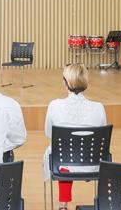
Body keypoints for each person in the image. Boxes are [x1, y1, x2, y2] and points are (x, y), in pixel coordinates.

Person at [43, 64, 107, 210]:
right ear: (85, 82)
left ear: (65, 83)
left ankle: (63, 206)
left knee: (62, 153)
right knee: (69, 152)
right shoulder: (99, 107)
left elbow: (49, 133)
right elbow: (101, 135)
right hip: (92, 164)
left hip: (62, 164)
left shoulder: (54, 105)